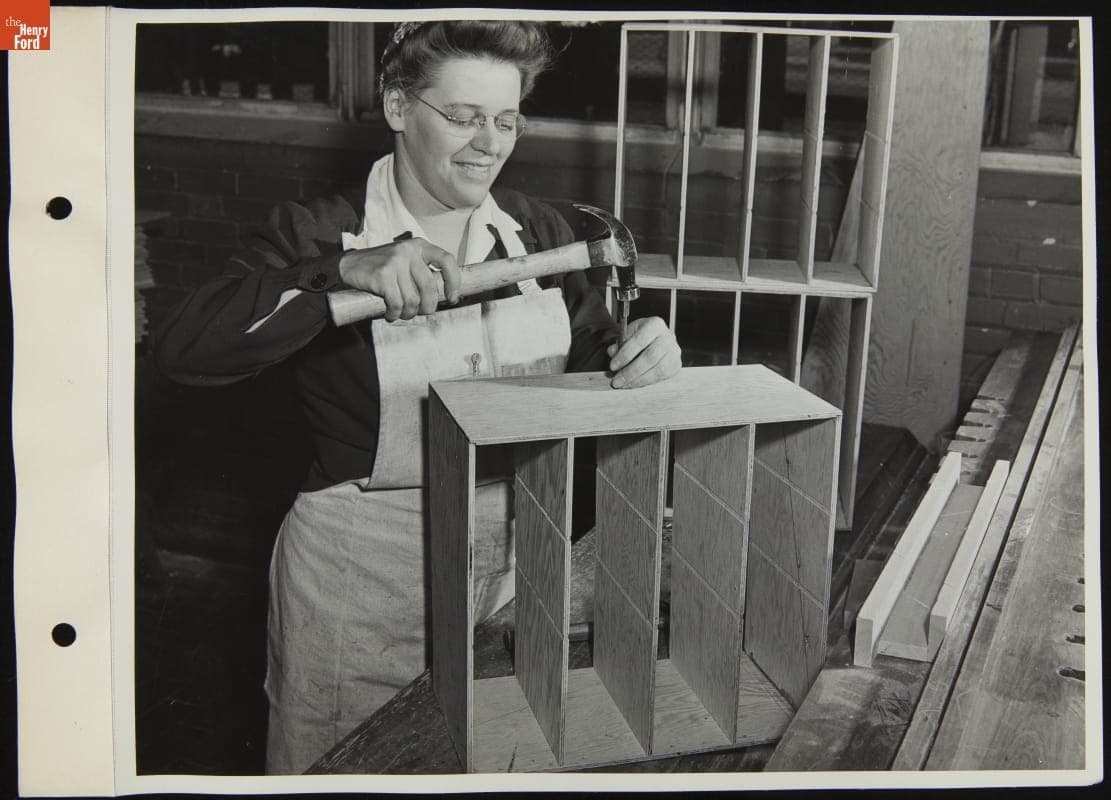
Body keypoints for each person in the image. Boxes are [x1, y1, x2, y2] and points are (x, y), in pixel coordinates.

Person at [154, 19, 681, 774]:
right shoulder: (322, 233)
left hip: (515, 559)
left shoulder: (539, 232)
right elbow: (183, 349)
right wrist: (344, 274)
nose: (488, 144)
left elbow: (595, 351)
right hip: (365, 579)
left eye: (506, 121)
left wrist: (640, 355)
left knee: (491, 758)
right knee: (347, 767)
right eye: (463, 118)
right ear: (399, 106)